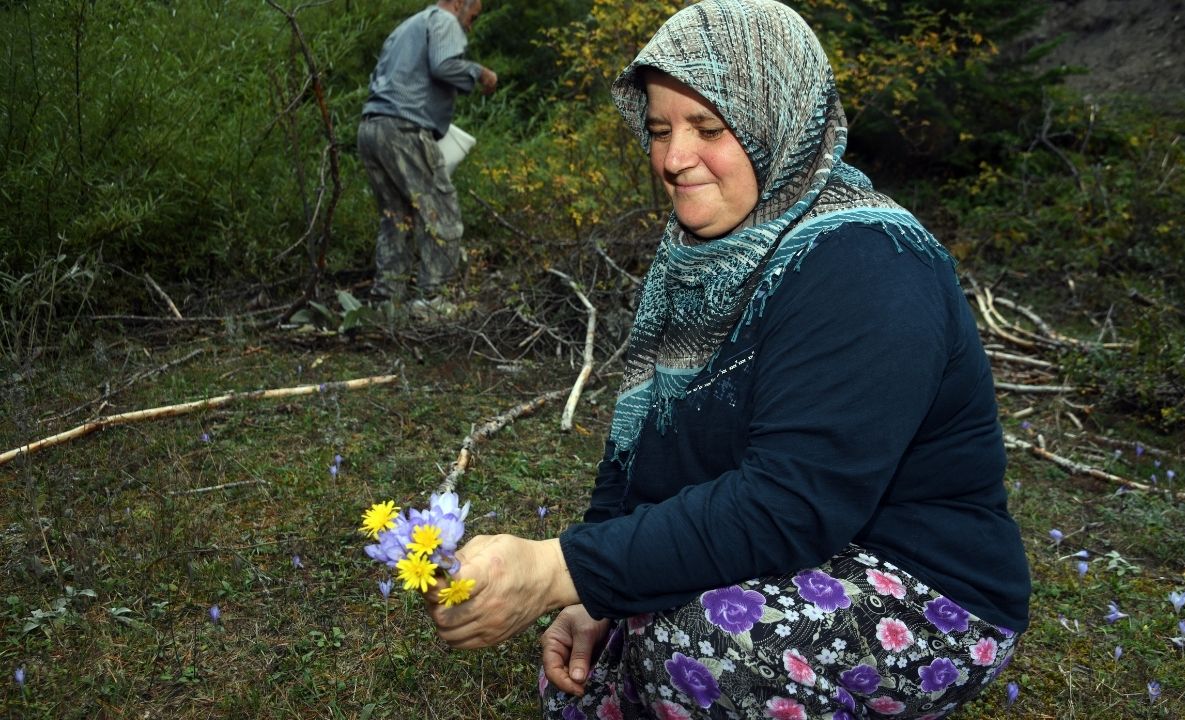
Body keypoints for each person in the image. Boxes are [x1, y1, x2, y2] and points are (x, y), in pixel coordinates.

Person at [427, 1, 1031, 717]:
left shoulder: (868, 262)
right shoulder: (700, 260)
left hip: (926, 585)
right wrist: (596, 586)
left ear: (780, 120)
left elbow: (791, 503)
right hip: (799, 552)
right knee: (590, 675)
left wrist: (559, 568)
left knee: (696, 649)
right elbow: (647, 453)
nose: (673, 159)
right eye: (658, 130)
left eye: (708, 128)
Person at [357, 0, 497, 311]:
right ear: (460, 3)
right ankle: (433, 301)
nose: (469, 27)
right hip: (405, 130)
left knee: (397, 218)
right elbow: (444, 66)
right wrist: (480, 73)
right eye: (472, 18)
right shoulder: (444, 21)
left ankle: (385, 303)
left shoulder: (405, 28)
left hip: (372, 128)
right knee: (441, 212)